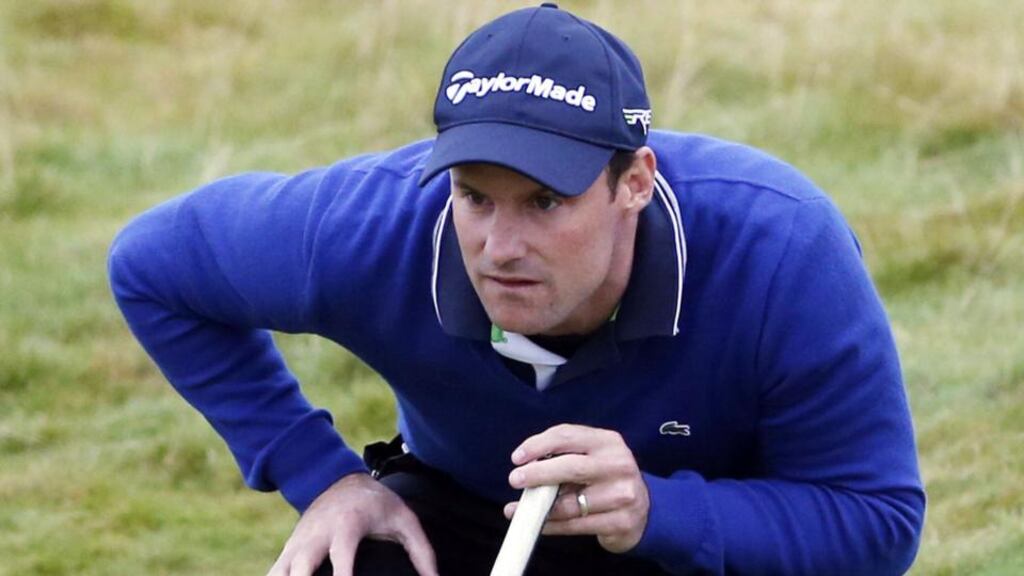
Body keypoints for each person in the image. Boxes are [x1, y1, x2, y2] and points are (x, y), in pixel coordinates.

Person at [108, 3, 925, 575]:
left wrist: (657, 512)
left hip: (710, 539)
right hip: (471, 515)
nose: (499, 248)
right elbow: (151, 267)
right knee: (345, 561)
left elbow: (877, 523)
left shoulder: (782, 248)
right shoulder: (372, 227)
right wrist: (320, 475)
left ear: (635, 182)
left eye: (545, 202)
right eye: (475, 197)